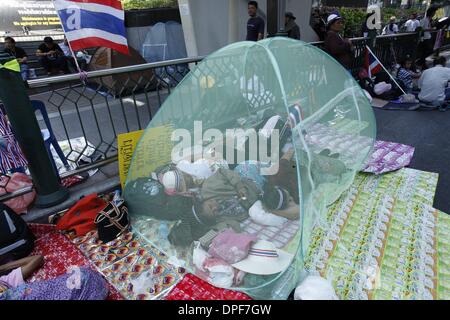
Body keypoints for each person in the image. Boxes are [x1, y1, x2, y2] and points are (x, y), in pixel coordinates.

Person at [0, 255, 109, 300]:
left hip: (73, 284)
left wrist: (3, 267)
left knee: (83, 277)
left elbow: (38, 258)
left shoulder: (4, 282)